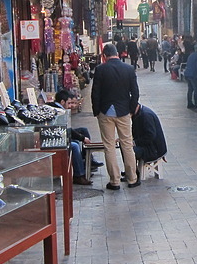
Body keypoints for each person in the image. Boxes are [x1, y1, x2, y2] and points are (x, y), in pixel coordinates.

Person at [91, 43, 140, 190]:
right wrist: (131, 110)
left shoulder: (100, 69)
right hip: (123, 111)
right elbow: (135, 93)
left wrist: (96, 111)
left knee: (109, 146)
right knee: (127, 144)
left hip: (105, 112)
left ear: (104, 56)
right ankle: (132, 178)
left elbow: (95, 93)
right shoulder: (129, 69)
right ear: (117, 54)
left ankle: (115, 181)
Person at [49, 89, 103, 185]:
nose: (71, 106)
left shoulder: (59, 109)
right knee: (75, 145)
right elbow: (67, 130)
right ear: (62, 102)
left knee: (83, 130)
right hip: (57, 138)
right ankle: (79, 175)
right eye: (69, 103)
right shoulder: (59, 111)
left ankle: (88, 160)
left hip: (61, 134)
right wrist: (82, 138)